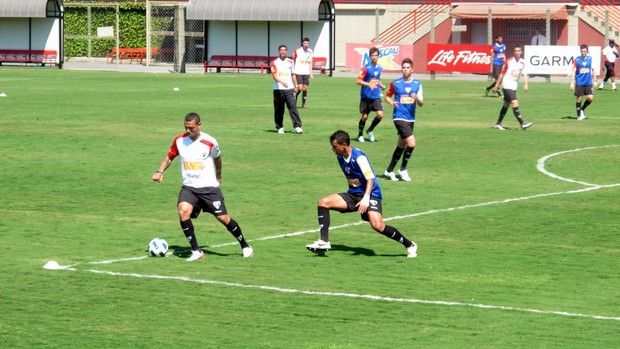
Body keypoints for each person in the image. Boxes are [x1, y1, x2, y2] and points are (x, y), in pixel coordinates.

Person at [151, 112, 254, 261]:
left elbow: (218, 159)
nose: (188, 131)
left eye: (191, 128)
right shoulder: (179, 140)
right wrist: (160, 171)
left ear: (199, 125)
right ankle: (196, 251)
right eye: (186, 127)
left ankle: (245, 246)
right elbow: (170, 156)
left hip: (208, 188)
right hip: (189, 187)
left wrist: (218, 176)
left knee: (223, 218)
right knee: (183, 211)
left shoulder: (210, 142)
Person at [305, 130, 418, 258]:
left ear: (343, 144)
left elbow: (370, 179)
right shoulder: (340, 157)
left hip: (370, 194)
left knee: (378, 226)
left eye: (335, 147)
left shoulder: (359, 157)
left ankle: (410, 245)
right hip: (353, 195)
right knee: (323, 202)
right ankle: (324, 241)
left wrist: (366, 198)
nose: (333, 150)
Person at [383, 58, 423, 182]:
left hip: (411, 119)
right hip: (399, 117)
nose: (405, 70)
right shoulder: (395, 83)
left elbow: (421, 103)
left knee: (401, 145)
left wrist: (416, 98)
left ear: (412, 69)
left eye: (407, 68)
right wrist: (391, 102)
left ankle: (389, 171)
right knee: (411, 143)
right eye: (404, 67)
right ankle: (403, 169)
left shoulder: (417, 84)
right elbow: (387, 96)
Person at [492, 45, 533, 130]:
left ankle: (498, 124)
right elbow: (501, 74)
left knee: (506, 104)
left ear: (521, 52)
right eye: (515, 51)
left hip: (514, 86)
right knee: (514, 102)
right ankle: (522, 123)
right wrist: (496, 85)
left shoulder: (523, 62)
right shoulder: (508, 62)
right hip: (507, 85)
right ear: (514, 52)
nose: (517, 52)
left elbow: (524, 74)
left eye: (519, 51)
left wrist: (526, 84)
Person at [356, 47, 386, 143]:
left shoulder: (380, 67)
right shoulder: (365, 68)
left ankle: (370, 130)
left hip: (376, 96)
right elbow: (358, 80)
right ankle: (360, 135)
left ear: (378, 56)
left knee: (380, 114)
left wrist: (380, 84)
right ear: (369, 56)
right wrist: (369, 84)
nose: (374, 57)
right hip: (365, 96)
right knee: (364, 117)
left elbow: (377, 78)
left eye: (376, 55)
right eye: (372, 56)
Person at [271, 44, 303, 134]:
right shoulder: (275, 62)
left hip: (289, 89)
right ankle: (279, 127)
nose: (283, 51)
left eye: (285, 50)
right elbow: (274, 75)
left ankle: (297, 126)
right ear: (278, 52)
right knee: (279, 109)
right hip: (278, 89)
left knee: (292, 107)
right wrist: (281, 82)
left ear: (287, 51)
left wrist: (296, 85)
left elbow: (293, 74)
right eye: (281, 50)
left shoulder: (290, 62)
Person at [570, 44, 597, 121]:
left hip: (588, 82)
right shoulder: (577, 60)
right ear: (580, 51)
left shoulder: (590, 59)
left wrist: (595, 80)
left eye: (584, 51)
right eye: (582, 51)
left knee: (590, 98)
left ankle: (582, 109)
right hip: (579, 82)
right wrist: (572, 83)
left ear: (587, 51)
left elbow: (593, 69)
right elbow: (574, 71)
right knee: (579, 99)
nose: (583, 52)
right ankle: (579, 116)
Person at [292, 37, 313, 109]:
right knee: (300, 88)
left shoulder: (310, 51)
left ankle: (303, 104)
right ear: (302, 43)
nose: (306, 44)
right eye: (305, 43)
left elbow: (310, 62)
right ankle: (293, 101)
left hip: (306, 72)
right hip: (298, 72)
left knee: (305, 88)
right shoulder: (297, 50)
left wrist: (311, 73)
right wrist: (292, 71)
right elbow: (293, 60)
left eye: (307, 43)